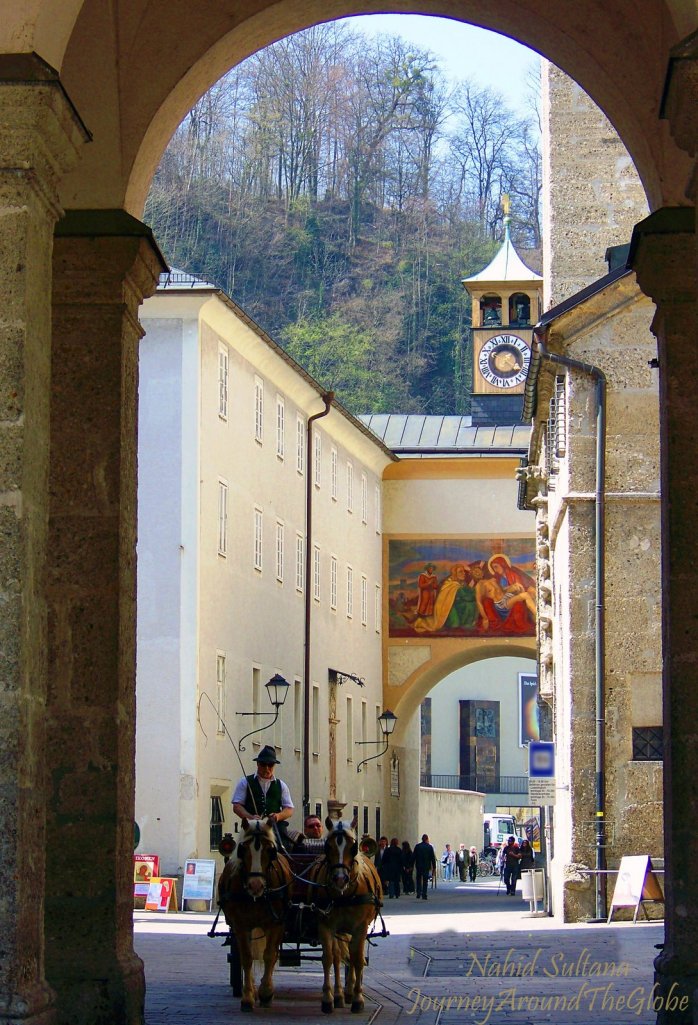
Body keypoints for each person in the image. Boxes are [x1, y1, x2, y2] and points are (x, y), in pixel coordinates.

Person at [231, 745, 296, 849]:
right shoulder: (245, 782)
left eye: (270, 765)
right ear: (257, 764)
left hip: (274, 827)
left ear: (274, 765)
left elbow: (289, 809)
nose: (266, 768)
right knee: (241, 850)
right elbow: (237, 806)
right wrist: (250, 817)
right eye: (263, 764)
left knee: (284, 848)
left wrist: (277, 816)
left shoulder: (281, 785)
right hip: (252, 827)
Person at [413, 834, 436, 900]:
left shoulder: (417, 846)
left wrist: (411, 864)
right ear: (427, 839)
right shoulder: (429, 847)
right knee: (425, 880)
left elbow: (414, 856)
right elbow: (432, 858)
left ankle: (418, 893)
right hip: (426, 866)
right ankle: (424, 894)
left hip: (419, 865)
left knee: (418, 879)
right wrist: (434, 867)